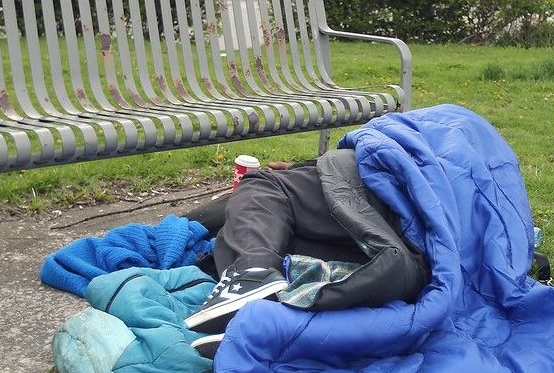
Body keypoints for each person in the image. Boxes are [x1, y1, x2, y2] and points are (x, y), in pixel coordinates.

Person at [182, 150, 430, 357]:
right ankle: (274, 320)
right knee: (282, 242)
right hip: (420, 255)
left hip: (397, 195)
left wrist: (309, 167)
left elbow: (383, 145)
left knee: (263, 185)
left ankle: (252, 272)